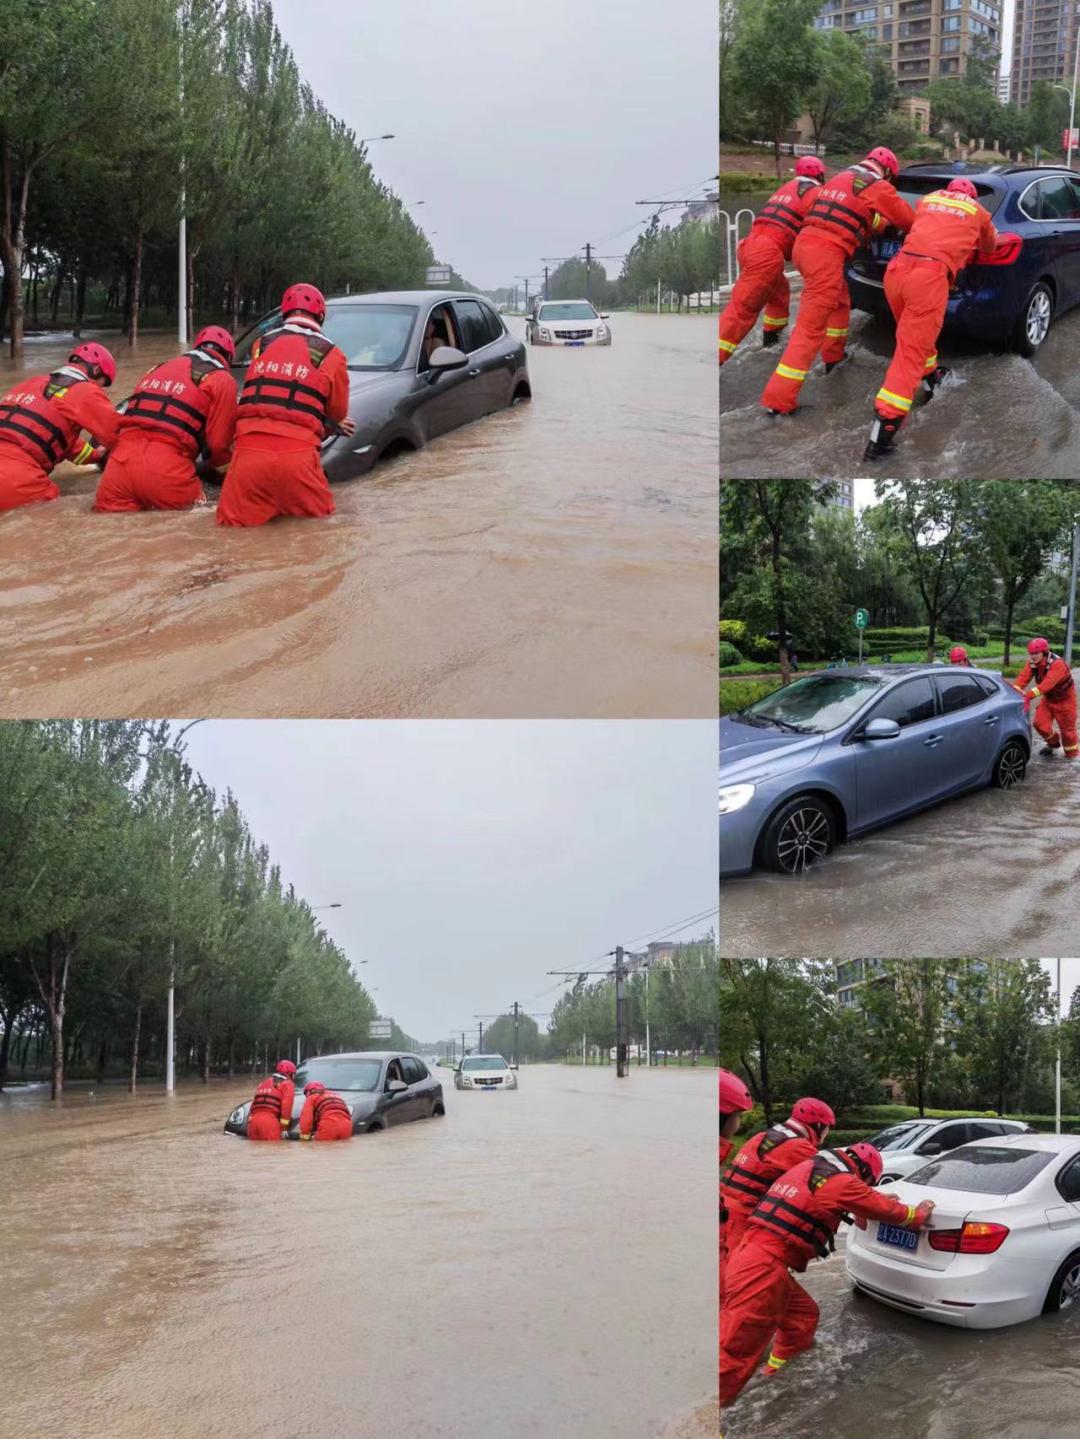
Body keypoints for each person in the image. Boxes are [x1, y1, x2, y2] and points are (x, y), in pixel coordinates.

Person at [720, 1142, 934, 1409]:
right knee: (735, 1352)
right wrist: (920, 1212)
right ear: (864, 1173)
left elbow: (843, 1198)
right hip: (763, 1267)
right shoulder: (842, 1183)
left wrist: (869, 1198)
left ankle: (778, 1376)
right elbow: (899, 1214)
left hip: (751, 1254)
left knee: (803, 1317)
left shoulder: (811, 1168)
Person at [759, 148, 915, 416]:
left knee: (840, 299)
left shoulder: (839, 178)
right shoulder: (877, 186)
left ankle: (834, 356)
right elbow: (907, 220)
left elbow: (847, 211)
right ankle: (778, 402)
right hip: (825, 254)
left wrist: (874, 223)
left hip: (804, 246)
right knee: (809, 329)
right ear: (888, 171)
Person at [864, 177, 998, 460]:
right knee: (909, 352)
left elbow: (916, 223)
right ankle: (882, 434)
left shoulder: (928, 199)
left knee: (913, 336)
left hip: (896, 272)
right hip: (929, 278)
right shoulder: (978, 211)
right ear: (972, 196)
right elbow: (990, 246)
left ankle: (931, 378)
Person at [216, 283, 356, 526]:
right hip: (297, 460)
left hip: (248, 458)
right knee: (320, 535)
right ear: (321, 316)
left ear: (284, 315)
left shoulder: (260, 345)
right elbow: (338, 412)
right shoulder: (333, 355)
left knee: (232, 537)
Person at [94, 326, 238, 512]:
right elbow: (219, 446)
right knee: (203, 519)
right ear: (228, 357)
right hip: (167, 474)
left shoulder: (156, 368)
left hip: (117, 471)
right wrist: (225, 473)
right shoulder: (221, 379)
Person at [719, 1097, 835, 1300]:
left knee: (800, 1312)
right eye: (827, 1129)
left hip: (725, 1214)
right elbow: (832, 1184)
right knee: (731, 1294)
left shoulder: (764, 1136)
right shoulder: (798, 1147)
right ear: (818, 1126)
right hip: (742, 1226)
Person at [717, 156, 826, 366]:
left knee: (779, 294)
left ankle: (771, 339)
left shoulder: (787, 188)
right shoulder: (815, 193)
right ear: (820, 175)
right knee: (742, 311)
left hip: (749, 245)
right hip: (767, 254)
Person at [0, 342, 120, 511]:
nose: (101, 389)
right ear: (97, 370)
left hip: (11, 462)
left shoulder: (33, 382)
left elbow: (53, 439)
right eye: (103, 383)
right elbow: (119, 435)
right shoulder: (86, 391)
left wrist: (95, 455)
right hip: (14, 478)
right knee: (63, 507)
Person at [1012, 636, 1078, 760]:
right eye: (1031, 653)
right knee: (1039, 723)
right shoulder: (1033, 663)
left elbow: (1047, 684)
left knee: (1068, 733)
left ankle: (1072, 757)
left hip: (1065, 701)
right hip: (1048, 699)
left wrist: (1029, 695)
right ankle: (1054, 744)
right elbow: (1022, 678)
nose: (1032, 656)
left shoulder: (1058, 664)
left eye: (1036, 653)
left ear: (1044, 652)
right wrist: (1013, 690)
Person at [246, 1058, 298, 1140]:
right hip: (269, 1123)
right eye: (294, 1074)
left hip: (253, 1123)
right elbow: (286, 1108)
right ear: (289, 1073)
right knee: (273, 1151)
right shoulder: (288, 1084)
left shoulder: (263, 1083)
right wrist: (284, 1128)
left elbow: (253, 1105)